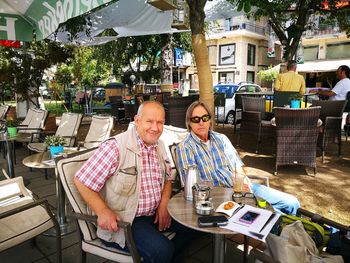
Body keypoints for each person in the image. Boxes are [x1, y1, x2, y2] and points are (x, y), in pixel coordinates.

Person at [74, 101, 196, 263]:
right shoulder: (116, 147)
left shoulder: (158, 145)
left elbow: (168, 177)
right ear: (137, 121)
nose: (155, 127)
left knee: (195, 224)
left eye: (160, 122)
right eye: (149, 121)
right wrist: (103, 211)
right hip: (126, 221)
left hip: (154, 214)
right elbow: (81, 180)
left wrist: (164, 203)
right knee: (163, 250)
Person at [177, 101, 300, 215]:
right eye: (196, 119)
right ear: (189, 122)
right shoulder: (185, 147)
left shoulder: (221, 139)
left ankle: (291, 232)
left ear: (210, 120)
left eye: (205, 118)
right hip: (219, 198)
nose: (201, 123)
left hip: (241, 189)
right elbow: (191, 187)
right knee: (275, 216)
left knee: (292, 203)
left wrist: (243, 182)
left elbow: (237, 165)